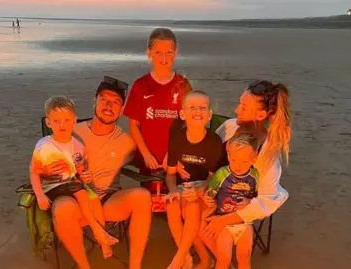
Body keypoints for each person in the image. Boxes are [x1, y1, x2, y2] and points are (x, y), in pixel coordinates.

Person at [43, 77, 152, 269]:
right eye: (104, 100)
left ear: (122, 109)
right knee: (62, 208)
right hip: (75, 202)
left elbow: (150, 162)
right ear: (95, 101)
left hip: (108, 201)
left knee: (142, 197)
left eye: (116, 102)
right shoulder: (69, 131)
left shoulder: (127, 143)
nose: (109, 106)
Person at [201, 80, 291, 265]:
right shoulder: (230, 127)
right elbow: (208, 157)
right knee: (188, 210)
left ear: (261, 114)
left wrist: (224, 220)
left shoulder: (267, 154)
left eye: (243, 107)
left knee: (199, 222)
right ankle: (222, 261)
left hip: (244, 206)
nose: (236, 110)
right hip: (217, 194)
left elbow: (264, 200)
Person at [30, 96, 118, 258]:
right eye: (56, 121)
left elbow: (81, 170)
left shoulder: (78, 146)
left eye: (66, 120)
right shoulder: (44, 146)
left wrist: (85, 174)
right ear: (48, 123)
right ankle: (98, 231)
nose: (62, 125)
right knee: (81, 191)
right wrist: (40, 194)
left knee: (94, 198)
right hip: (53, 187)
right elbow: (34, 172)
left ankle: (102, 240)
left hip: (73, 185)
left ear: (74, 121)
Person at [123, 28, 192, 180]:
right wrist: (146, 155)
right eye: (158, 53)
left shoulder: (182, 84)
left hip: (176, 156)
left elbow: (188, 123)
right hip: (149, 159)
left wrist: (172, 154)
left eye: (169, 52)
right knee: (151, 198)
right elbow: (134, 124)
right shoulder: (140, 85)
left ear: (175, 53)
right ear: (149, 53)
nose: (164, 58)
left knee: (173, 197)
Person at [164, 91, 223, 269]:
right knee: (172, 204)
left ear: (209, 115)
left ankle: (180, 258)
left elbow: (213, 178)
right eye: (192, 107)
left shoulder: (214, 142)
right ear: (183, 114)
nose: (197, 111)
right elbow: (170, 173)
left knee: (193, 208)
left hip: (205, 189)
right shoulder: (177, 139)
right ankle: (188, 257)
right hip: (183, 187)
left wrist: (200, 190)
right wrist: (173, 190)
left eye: (202, 108)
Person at [202, 128, 262, 269]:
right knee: (224, 258)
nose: (238, 165)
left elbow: (260, 198)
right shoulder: (222, 173)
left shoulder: (255, 176)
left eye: (243, 161)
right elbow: (210, 192)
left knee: (244, 257)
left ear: (254, 159)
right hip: (224, 224)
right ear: (228, 156)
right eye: (234, 160)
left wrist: (249, 202)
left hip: (244, 222)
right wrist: (208, 197)